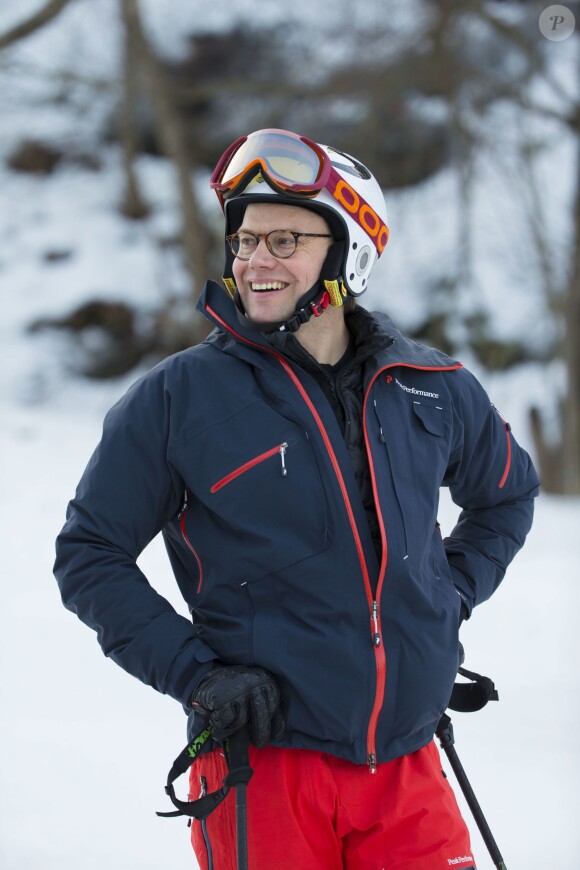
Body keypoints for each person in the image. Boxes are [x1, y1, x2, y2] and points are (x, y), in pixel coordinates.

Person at [54, 128, 540, 869]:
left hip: (407, 767)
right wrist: (197, 674)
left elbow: (508, 495)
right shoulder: (178, 397)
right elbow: (90, 555)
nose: (254, 260)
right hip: (262, 770)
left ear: (349, 251)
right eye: (245, 240)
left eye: (284, 239)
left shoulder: (433, 386)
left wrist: (445, 594)